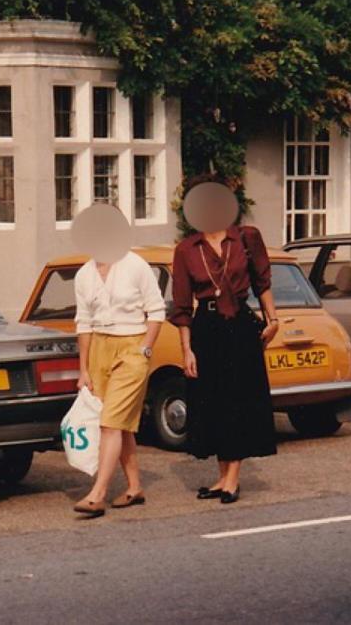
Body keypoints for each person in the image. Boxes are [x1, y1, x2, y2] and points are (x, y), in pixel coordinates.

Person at [169, 201, 279, 504]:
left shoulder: (247, 238)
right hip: (206, 327)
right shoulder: (186, 249)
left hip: (240, 327)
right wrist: (187, 350)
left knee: (238, 400)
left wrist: (273, 319)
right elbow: (181, 306)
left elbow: (263, 283)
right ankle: (221, 477)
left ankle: (233, 479)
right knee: (212, 402)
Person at [72, 247, 165, 518]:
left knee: (110, 422)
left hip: (132, 346)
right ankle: (135, 487)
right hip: (99, 349)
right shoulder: (84, 274)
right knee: (121, 425)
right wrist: (84, 369)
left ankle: (97, 493)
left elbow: (157, 311)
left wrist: (145, 349)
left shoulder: (135, 265)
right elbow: (84, 322)